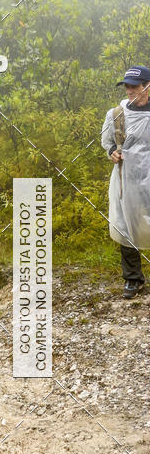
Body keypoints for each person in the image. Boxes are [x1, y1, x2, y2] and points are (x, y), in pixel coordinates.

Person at [101, 66, 150, 299]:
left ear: (148, 86)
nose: (130, 90)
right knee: (127, 224)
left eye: (135, 86)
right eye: (127, 86)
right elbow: (107, 141)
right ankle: (133, 279)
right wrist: (112, 151)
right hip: (127, 180)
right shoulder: (117, 114)